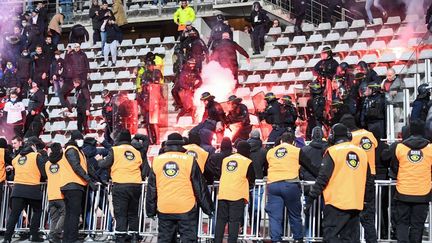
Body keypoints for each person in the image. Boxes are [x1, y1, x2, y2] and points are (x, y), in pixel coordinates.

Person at [305, 123, 368, 243]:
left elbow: (323, 177)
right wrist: (367, 201)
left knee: (331, 237)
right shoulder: (361, 152)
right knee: (351, 239)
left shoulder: (333, 151)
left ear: (332, 137)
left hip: (336, 204)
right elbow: (369, 180)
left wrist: (311, 198)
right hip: (355, 203)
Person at [146, 132, 213, 242]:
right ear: (181, 145)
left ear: (167, 145)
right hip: (186, 207)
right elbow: (199, 186)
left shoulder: (157, 160)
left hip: (165, 207)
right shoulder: (189, 160)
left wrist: (150, 210)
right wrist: (208, 208)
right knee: (188, 239)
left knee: (165, 239)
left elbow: (152, 188)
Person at [266, 132, 319, 243]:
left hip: (273, 185)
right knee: (294, 215)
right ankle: (297, 239)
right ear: (294, 142)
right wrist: (320, 176)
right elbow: (309, 166)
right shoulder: (296, 151)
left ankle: (276, 240)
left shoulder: (270, 152)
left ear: (281, 141)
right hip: (290, 184)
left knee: (275, 216)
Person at [97, 130, 148, 243]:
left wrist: (99, 160)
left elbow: (105, 164)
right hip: (135, 184)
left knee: (120, 212)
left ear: (119, 139)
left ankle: (121, 236)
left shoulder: (115, 150)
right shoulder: (136, 151)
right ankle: (134, 236)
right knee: (133, 212)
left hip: (121, 184)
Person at [390, 119, 432, 243]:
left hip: (403, 192)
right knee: (417, 225)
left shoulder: (400, 148)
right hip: (422, 193)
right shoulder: (430, 149)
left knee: (402, 222)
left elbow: (394, 167)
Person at [340, 114, 378, 243]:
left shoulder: (350, 140)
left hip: (356, 177)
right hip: (371, 176)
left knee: (353, 215)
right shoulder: (369, 134)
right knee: (368, 217)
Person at [4, 140, 47, 243]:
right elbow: (44, 173)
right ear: (32, 147)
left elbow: (14, 174)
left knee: (14, 215)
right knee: (37, 211)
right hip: (32, 189)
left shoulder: (16, 159)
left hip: (18, 189)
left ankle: (7, 239)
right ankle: (33, 235)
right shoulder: (36, 156)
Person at [59, 130, 98, 243]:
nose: (81, 141)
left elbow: (88, 168)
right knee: (74, 214)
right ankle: (71, 239)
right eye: (80, 139)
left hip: (74, 185)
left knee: (71, 214)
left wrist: (98, 179)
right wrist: (89, 181)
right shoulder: (71, 149)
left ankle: (67, 239)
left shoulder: (79, 151)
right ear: (76, 139)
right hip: (72, 185)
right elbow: (76, 167)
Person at [214, 141, 255, 243]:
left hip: (223, 193)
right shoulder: (247, 161)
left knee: (220, 220)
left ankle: (217, 241)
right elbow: (252, 178)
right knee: (234, 222)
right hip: (237, 195)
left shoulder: (226, 160)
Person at [45, 143, 65, 243]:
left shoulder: (47, 164)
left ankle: (52, 236)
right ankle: (56, 233)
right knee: (64, 214)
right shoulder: (63, 162)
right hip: (61, 193)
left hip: (51, 194)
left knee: (54, 218)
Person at [381, 68, 405, 134]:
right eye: (387, 75)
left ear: (394, 75)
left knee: (395, 121)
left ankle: (395, 135)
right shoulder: (385, 81)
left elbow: (403, 91)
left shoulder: (399, 81)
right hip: (387, 104)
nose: (388, 77)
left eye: (390, 75)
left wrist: (396, 92)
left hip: (396, 105)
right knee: (388, 121)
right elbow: (383, 90)